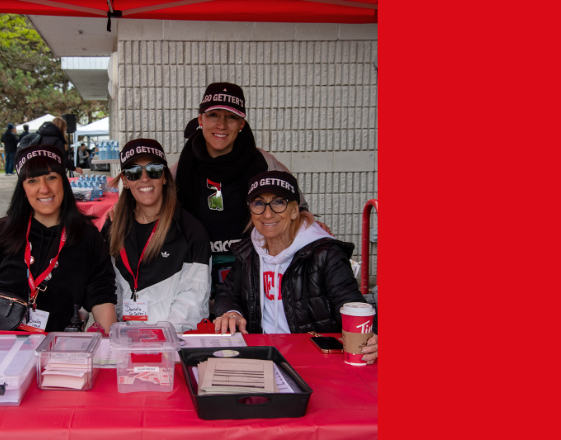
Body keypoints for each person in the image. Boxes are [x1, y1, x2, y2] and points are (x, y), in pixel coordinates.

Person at [0, 144, 118, 332]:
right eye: (32, 181)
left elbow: (101, 297)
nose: (44, 189)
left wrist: (114, 343)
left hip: (53, 349)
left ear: (64, 181)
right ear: (23, 188)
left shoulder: (87, 238)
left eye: (51, 178)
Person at [171, 82, 313, 309]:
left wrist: (315, 227)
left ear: (241, 124)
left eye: (231, 117)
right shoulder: (183, 167)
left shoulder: (264, 163)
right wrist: (120, 209)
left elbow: (299, 209)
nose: (222, 124)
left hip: (251, 268)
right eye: (213, 115)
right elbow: (150, 200)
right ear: (201, 120)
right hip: (197, 268)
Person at [213, 171, 378, 364]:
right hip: (261, 355)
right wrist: (233, 312)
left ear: (294, 210)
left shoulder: (325, 253)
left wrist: (372, 337)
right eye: (258, 203)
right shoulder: (249, 252)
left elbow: (350, 307)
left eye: (278, 202)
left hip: (315, 359)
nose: (267, 213)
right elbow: (227, 294)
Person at [100, 139, 211, 332]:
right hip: (122, 340)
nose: (144, 178)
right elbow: (104, 288)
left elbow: (192, 305)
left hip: (170, 344)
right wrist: (117, 334)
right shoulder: (113, 228)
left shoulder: (191, 231)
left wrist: (156, 341)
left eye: (154, 170)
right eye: (134, 172)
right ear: (125, 181)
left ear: (165, 177)